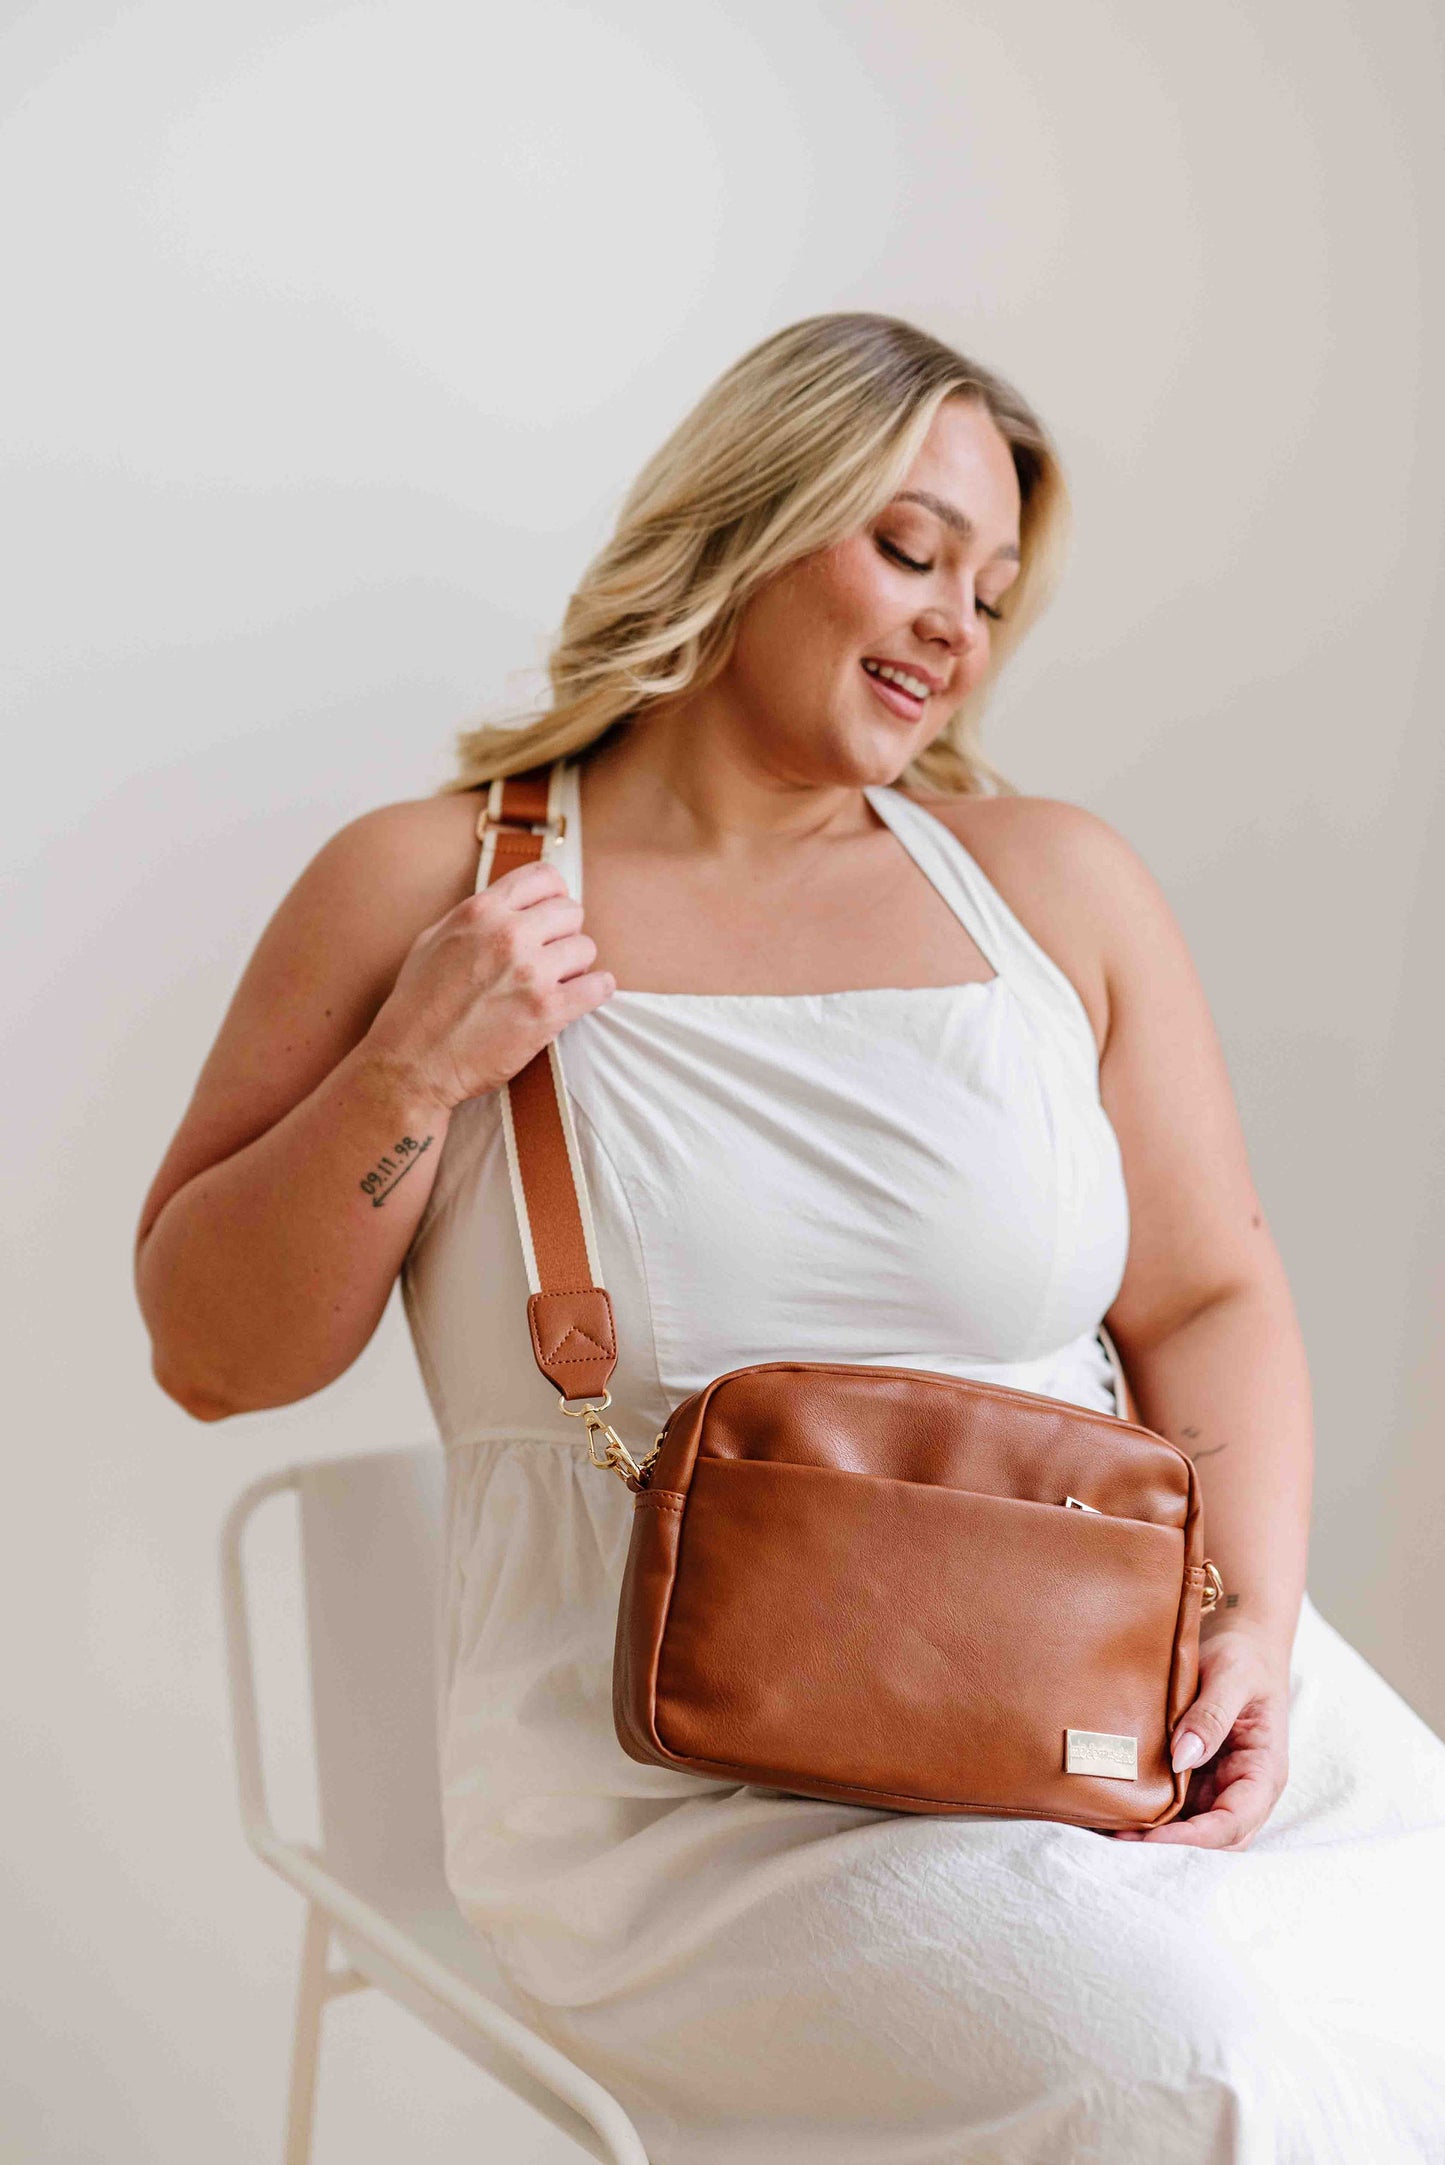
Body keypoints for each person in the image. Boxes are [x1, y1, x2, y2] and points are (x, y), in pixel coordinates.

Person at [136, 313, 1445, 2161]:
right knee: (1194, 2069)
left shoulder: (1052, 886)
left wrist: (1246, 1627)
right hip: (682, 1792)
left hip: (1118, 1696)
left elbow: (1210, 1293)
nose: (954, 626)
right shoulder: (430, 882)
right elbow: (211, 1355)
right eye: (909, 550)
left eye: (990, 593)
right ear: (745, 520)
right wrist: (409, 1070)